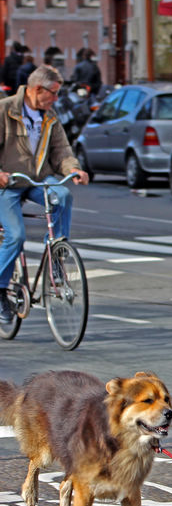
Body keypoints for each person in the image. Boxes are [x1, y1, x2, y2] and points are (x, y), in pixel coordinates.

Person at [0, 66, 90, 323]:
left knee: (62, 196)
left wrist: (73, 169)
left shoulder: (50, 116)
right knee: (15, 235)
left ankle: (58, 253)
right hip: (8, 183)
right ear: (37, 89)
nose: (56, 99)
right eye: (53, 93)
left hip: (38, 178)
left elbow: (61, 149)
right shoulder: (5, 110)